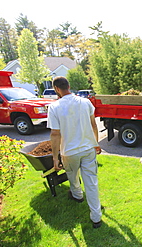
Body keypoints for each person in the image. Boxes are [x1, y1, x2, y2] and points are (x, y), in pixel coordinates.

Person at [47, 76, 102, 228]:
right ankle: (96, 218)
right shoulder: (85, 102)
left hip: (69, 152)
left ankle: (77, 196)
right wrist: (95, 143)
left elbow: (55, 134)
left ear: (56, 89)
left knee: (73, 177)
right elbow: (93, 125)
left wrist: (55, 158)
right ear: (68, 86)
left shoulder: (54, 107)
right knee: (91, 182)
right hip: (88, 149)